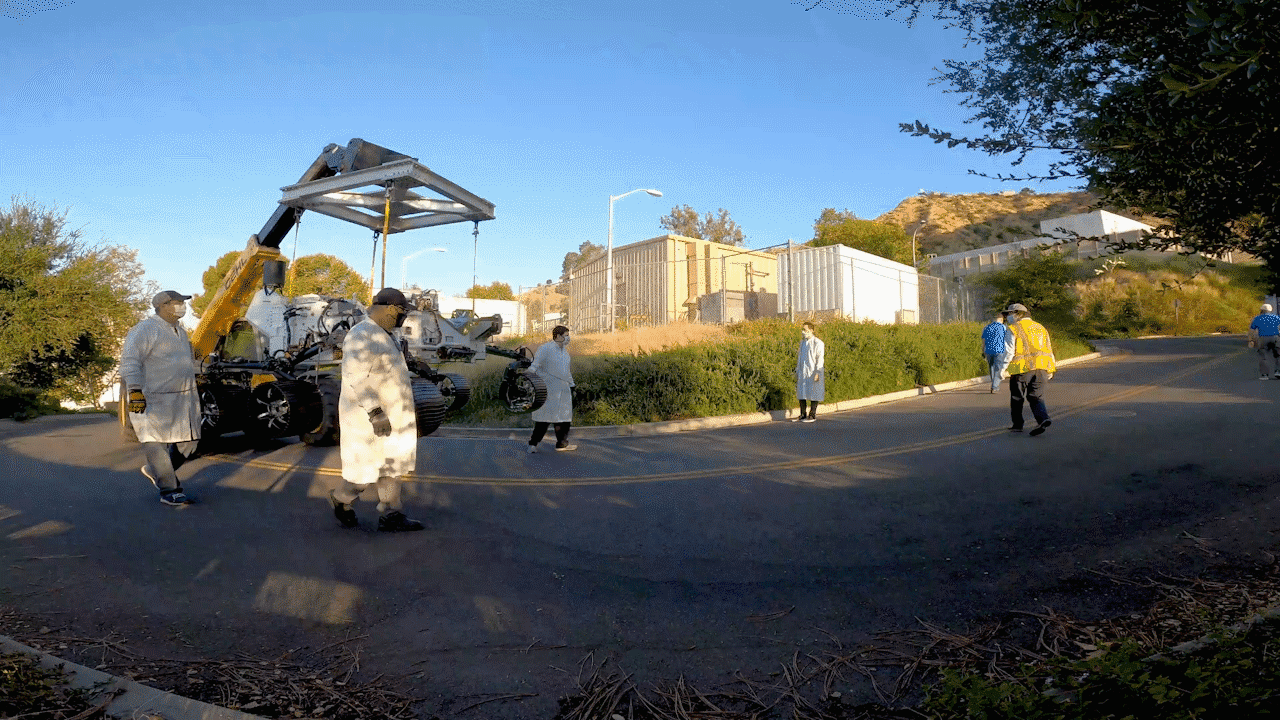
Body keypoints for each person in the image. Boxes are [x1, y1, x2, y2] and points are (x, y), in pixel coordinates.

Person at [328, 288, 425, 532]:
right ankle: (341, 499)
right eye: (402, 312)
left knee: (392, 466)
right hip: (368, 419)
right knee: (364, 474)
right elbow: (356, 377)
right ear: (391, 310)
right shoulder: (362, 334)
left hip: (391, 415)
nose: (403, 318)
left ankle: (391, 514)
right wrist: (374, 411)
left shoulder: (385, 334)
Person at [120, 290, 201, 506]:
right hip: (153, 398)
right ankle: (169, 490)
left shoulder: (180, 332)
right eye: (177, 303)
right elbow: (129, 361)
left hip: (183, 399)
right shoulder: (145, 330)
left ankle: (156, 470)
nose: (182, 307)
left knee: (190, 442)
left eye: (182, 303)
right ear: (163, 306)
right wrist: (135, 390)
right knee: (156, 444)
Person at [1002, 303, 1057, 437]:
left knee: (1017, 397)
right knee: (1036, 396)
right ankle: (1043, 418)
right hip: (1042, 366)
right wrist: (1051, 369)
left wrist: (1002, 370)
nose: (1008, 317)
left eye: (1010, 314)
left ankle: (1018, 425)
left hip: (1020, 366)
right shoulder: (1040, 328)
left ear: (1018, 314)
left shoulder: (1013, 328)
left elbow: (1008, 352)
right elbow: (1049, 348)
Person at [527, 325, 576, 453]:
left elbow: (567, 371)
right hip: (549, 388)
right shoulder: (546, 348)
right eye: (566, 335)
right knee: (544, 419)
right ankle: (533, 444)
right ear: (558, 336)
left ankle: (562, 444)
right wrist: (528, 379)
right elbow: (535, 364)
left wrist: (572, 385)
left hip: (563, 389)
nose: (568, 338)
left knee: (564, 419)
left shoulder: (564, 353)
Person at [794, 321, 825, 423]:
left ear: (812, 330)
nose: (804, 332)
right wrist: (797, 370)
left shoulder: (818, 343)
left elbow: (819, 359)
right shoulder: (802, 343)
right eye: (803, 330)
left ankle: (812, 414)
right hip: (803, 371)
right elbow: (800, 357)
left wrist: (817, 372)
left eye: (806, 330)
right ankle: (803, 414)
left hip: (813, 371)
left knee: (814, 392)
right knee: (801, 392)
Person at [981, 311, 1012, 393]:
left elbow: (983, 341)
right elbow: (1007, 339)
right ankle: (995, 387)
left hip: (988, 350)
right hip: (999, 350)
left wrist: (983, 351)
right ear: (1001, 319)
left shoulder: (986, 327)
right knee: (998, 368)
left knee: (991, 367)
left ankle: (993, 383)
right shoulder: (1003, 327)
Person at [1247, 303, 1280, 380]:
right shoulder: (1277, 317)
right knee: (1278, 355)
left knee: (1263, 356)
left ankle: (1264, 375)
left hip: (1263, 338)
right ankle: (1278, 371)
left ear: (1262, 310)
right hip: (1275, 337)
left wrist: (1251, 340)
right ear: (1270, 310)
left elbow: (1251, 331)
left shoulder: (1257, 318)